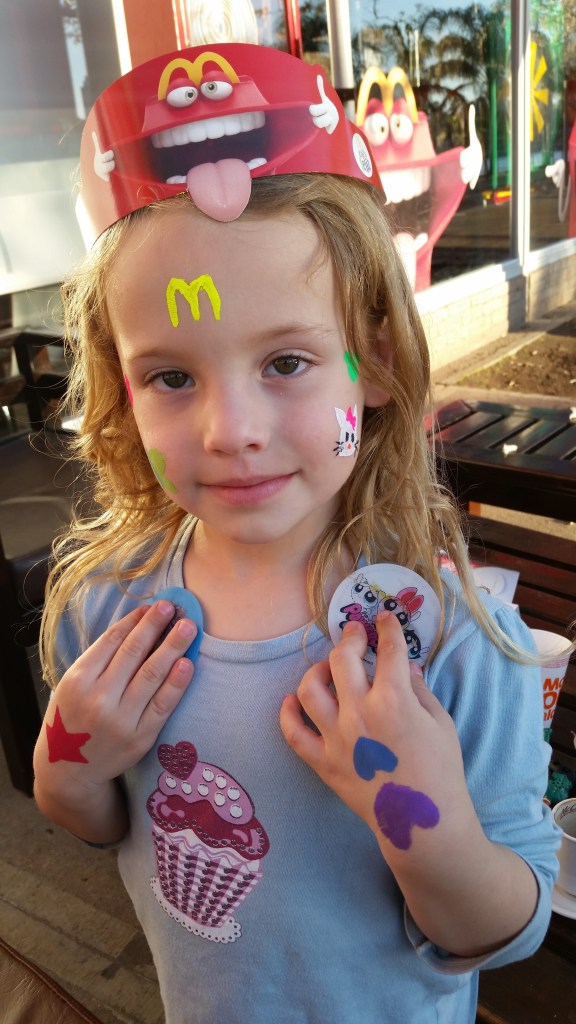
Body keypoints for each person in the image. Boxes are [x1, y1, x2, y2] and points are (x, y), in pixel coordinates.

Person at [33, 43, 559, 1024]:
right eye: (171, 377)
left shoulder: (449, 639)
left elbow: (505, 928)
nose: (230, 430)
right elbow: (103, 822)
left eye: (286, 362)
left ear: (378, 362)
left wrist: (425, 820)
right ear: (121, 390)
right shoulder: (111, 611)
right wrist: (64, 769)